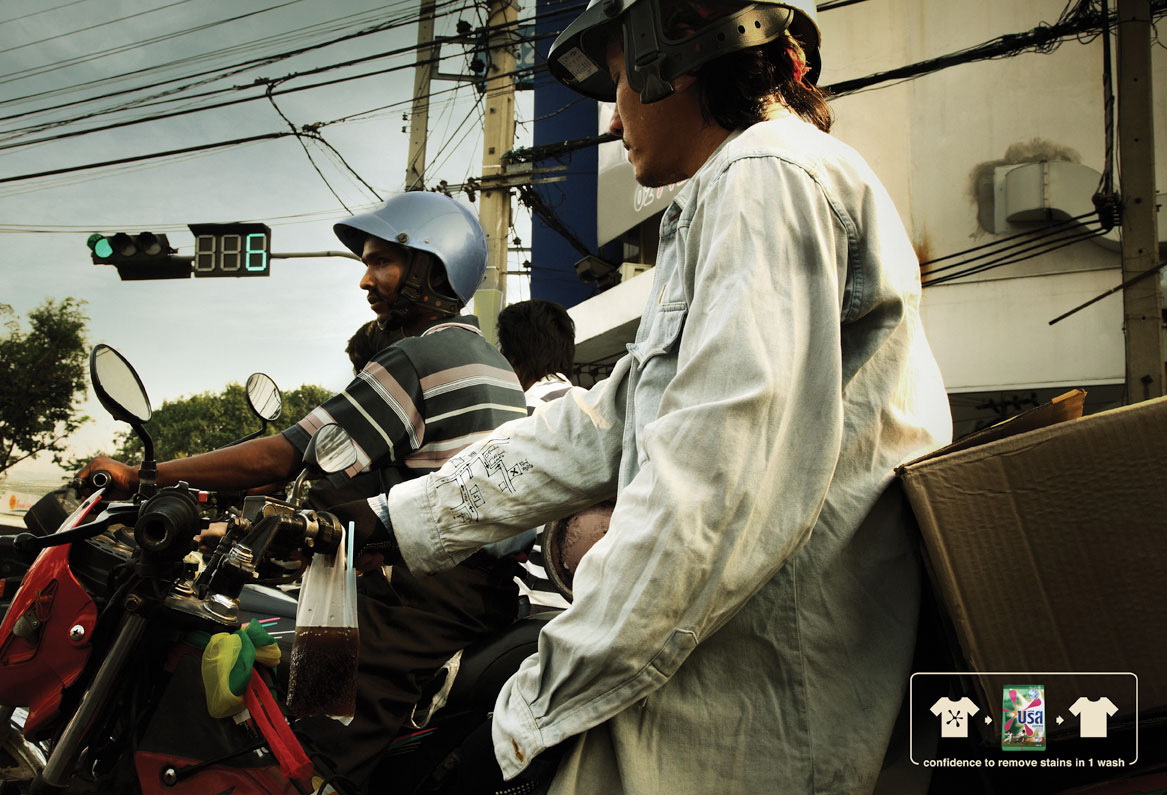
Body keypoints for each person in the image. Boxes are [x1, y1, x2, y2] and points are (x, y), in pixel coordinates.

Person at [368, 0, 954, 792]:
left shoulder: (763, 178)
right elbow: (604, 425)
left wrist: (526, 721)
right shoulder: (738, 188)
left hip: (754, 704)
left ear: (668, 57)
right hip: (723, 680)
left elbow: (709, 491)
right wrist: (393, 519)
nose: (613, 121)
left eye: (617, 82)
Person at [79, 191, 529, 792]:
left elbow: (282, 454)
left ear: (431, 265)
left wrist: (143, 475)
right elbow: (314, 466)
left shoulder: (419, 356)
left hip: (425, 591)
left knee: (309, 737)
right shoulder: (487, 359)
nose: (366, 281)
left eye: (382, 263)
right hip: (476, 587)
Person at [495, 299, 579, 611]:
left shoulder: (518, 414)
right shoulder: (591, 406)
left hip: (535, 594)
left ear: (512, 357)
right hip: (583, 594)